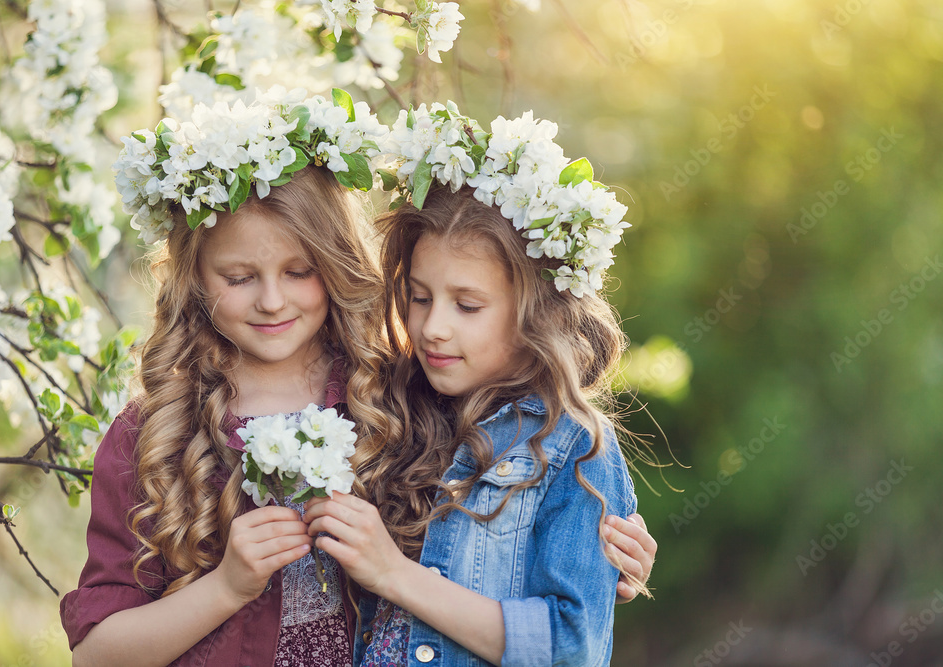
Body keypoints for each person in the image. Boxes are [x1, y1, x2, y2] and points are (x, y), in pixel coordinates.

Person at [61, 94, 654, 667]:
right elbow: (96, 657)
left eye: (299, 271)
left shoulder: (397, 400)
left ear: (337, 265)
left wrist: (602, 561)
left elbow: (511, 533)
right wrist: (227, 587)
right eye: (239, 276)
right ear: (194, 276)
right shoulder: (155, 436)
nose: (271, 300)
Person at [304, 104, 646, 665]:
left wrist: (394, 574)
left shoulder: (572, 448)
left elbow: (570, 648)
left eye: (468, 305)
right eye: (419, 297)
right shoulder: (389, 410)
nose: (433, 327)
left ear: (539, 311)